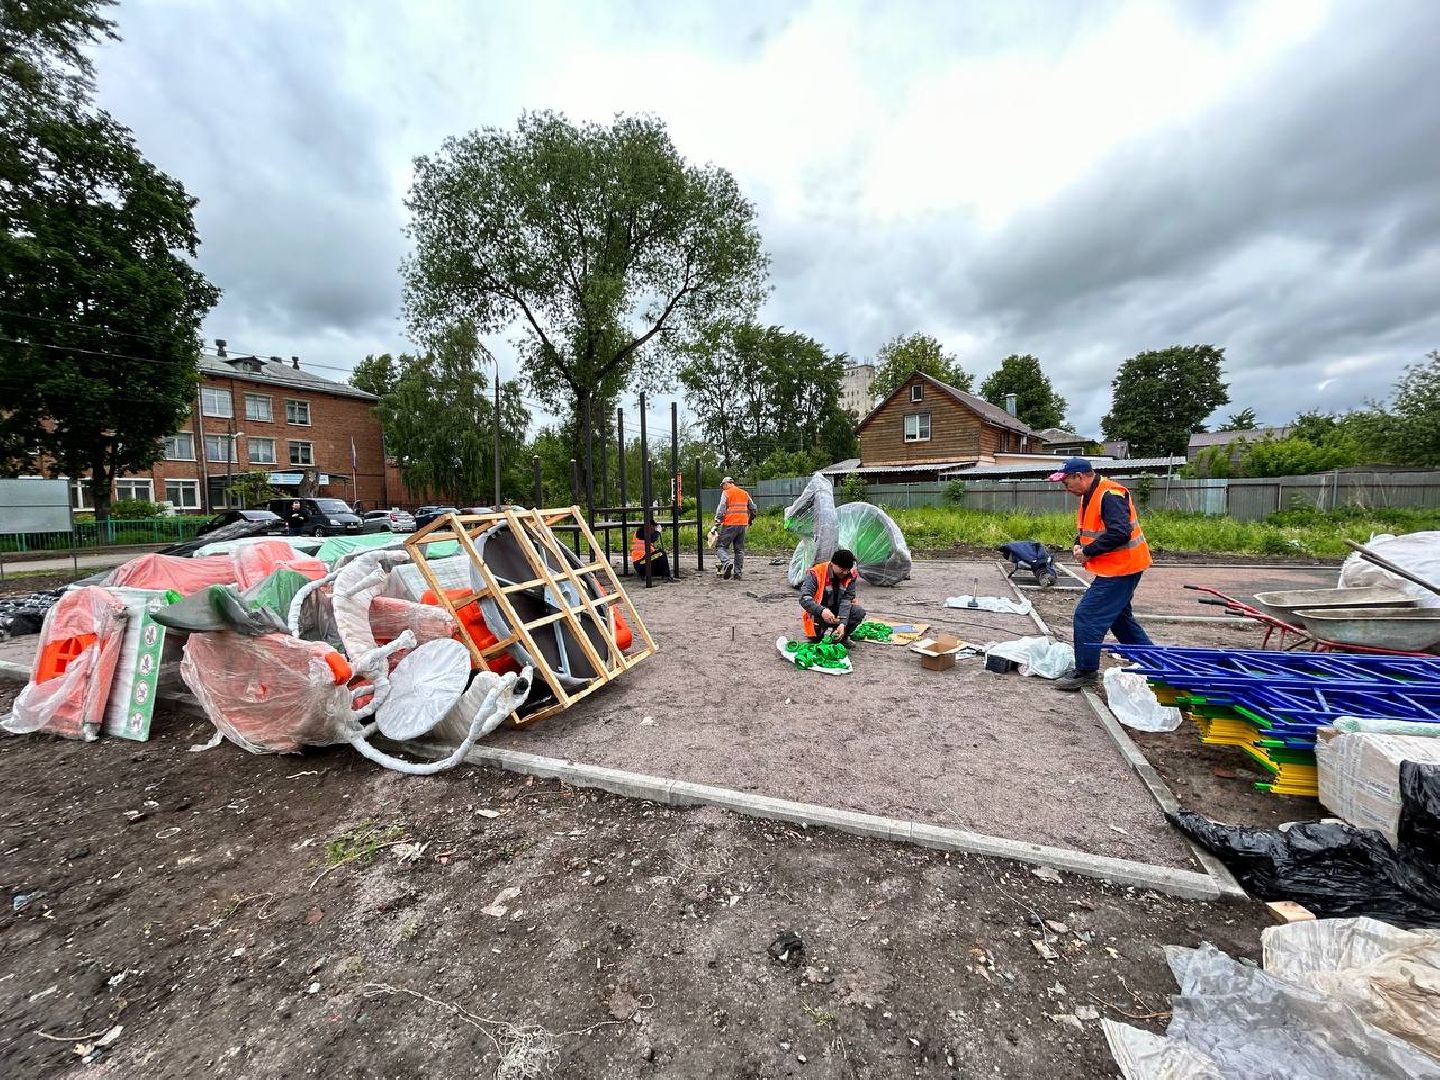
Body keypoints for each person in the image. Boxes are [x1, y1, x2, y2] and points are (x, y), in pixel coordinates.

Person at [1049, 458, 1154, 691]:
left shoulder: (1110, 494)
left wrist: (1088, 552)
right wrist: (1079, 544)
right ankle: (1153, 664)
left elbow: (1120, 532)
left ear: (1080, 476)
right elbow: (1089, 527)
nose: (1065, 488)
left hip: (1122, 568)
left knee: (1087, 616)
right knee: (1119, 619)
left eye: (1066, 482)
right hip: (1116, 567)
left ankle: (1086, 672)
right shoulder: (1090, 494)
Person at [800, 548, 866, 643]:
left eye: (848, 570)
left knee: (858, 612)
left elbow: (847, 599)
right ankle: (817, 634)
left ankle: (840, 636)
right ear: (832, 564)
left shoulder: (851, 575)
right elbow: (804, 598)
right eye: (842, 569)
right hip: (819, 613)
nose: (845, 573)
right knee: (816, 641)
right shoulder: (815, 573)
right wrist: (822, 611)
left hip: (838, 611)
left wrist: (842, 623)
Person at [712, 476, 756, 580]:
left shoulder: (726, 492)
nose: (722, 488)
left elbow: (722, 508)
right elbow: (753, 508)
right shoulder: (744, 493)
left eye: (723, 485)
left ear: (726, 483)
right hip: (742, 524)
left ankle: (727, 563)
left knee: (720, 547)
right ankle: (738, 574)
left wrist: (718, 521)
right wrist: (750, 520)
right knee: (739, 550)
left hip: (730, 523)